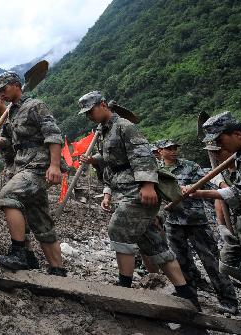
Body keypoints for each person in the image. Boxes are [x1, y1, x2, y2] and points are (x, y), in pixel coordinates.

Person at [77, 91, 199, 308]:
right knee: (152, 241)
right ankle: (186, 292)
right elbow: (112, 158)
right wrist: (95, 159)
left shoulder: (124, 126)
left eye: (91, 111)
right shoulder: (104, 131)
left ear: (103, 105)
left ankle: (124, 287)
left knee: (118, 228)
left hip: (136, 190)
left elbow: (142, 155)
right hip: (122, 189)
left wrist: (148, 185)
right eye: (86, 114)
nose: (89, 116)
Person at [0, 71, 67, 276]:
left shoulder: (35, 106)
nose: (1, 94)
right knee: (40, 221)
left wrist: (55, 166)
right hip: (22, 165)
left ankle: (19, 252)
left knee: (8, 195)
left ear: (15, 85)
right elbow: (10, 143)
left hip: (38, 165)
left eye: (4, 89)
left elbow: (54, 136)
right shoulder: (11, 112)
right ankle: (58, 270)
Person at [158, 139, 238, 314]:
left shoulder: (190, 166)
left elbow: (207, 183)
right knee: (181, 261)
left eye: (175, 148)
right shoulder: (157, 171)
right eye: (168, 149)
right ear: (160, 151)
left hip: (196, 221)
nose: (173, 151)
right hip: (173, 221)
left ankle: (228, 300)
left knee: (211, 261)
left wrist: (192, 189)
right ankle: (190, 297)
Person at [187, 111, 241, 284]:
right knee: (234, 266)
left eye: (219, 141)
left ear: (237, 135)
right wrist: (201, 193)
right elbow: (239, 193)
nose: (218, 147)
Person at [0, 89, 40, 269]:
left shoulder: (11, 116)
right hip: (9, 168)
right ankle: (28, 255)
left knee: (18, 207)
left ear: (1, 98)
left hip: (20, 165)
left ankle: (24, 253)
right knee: (16, 210)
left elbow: (10, 141)